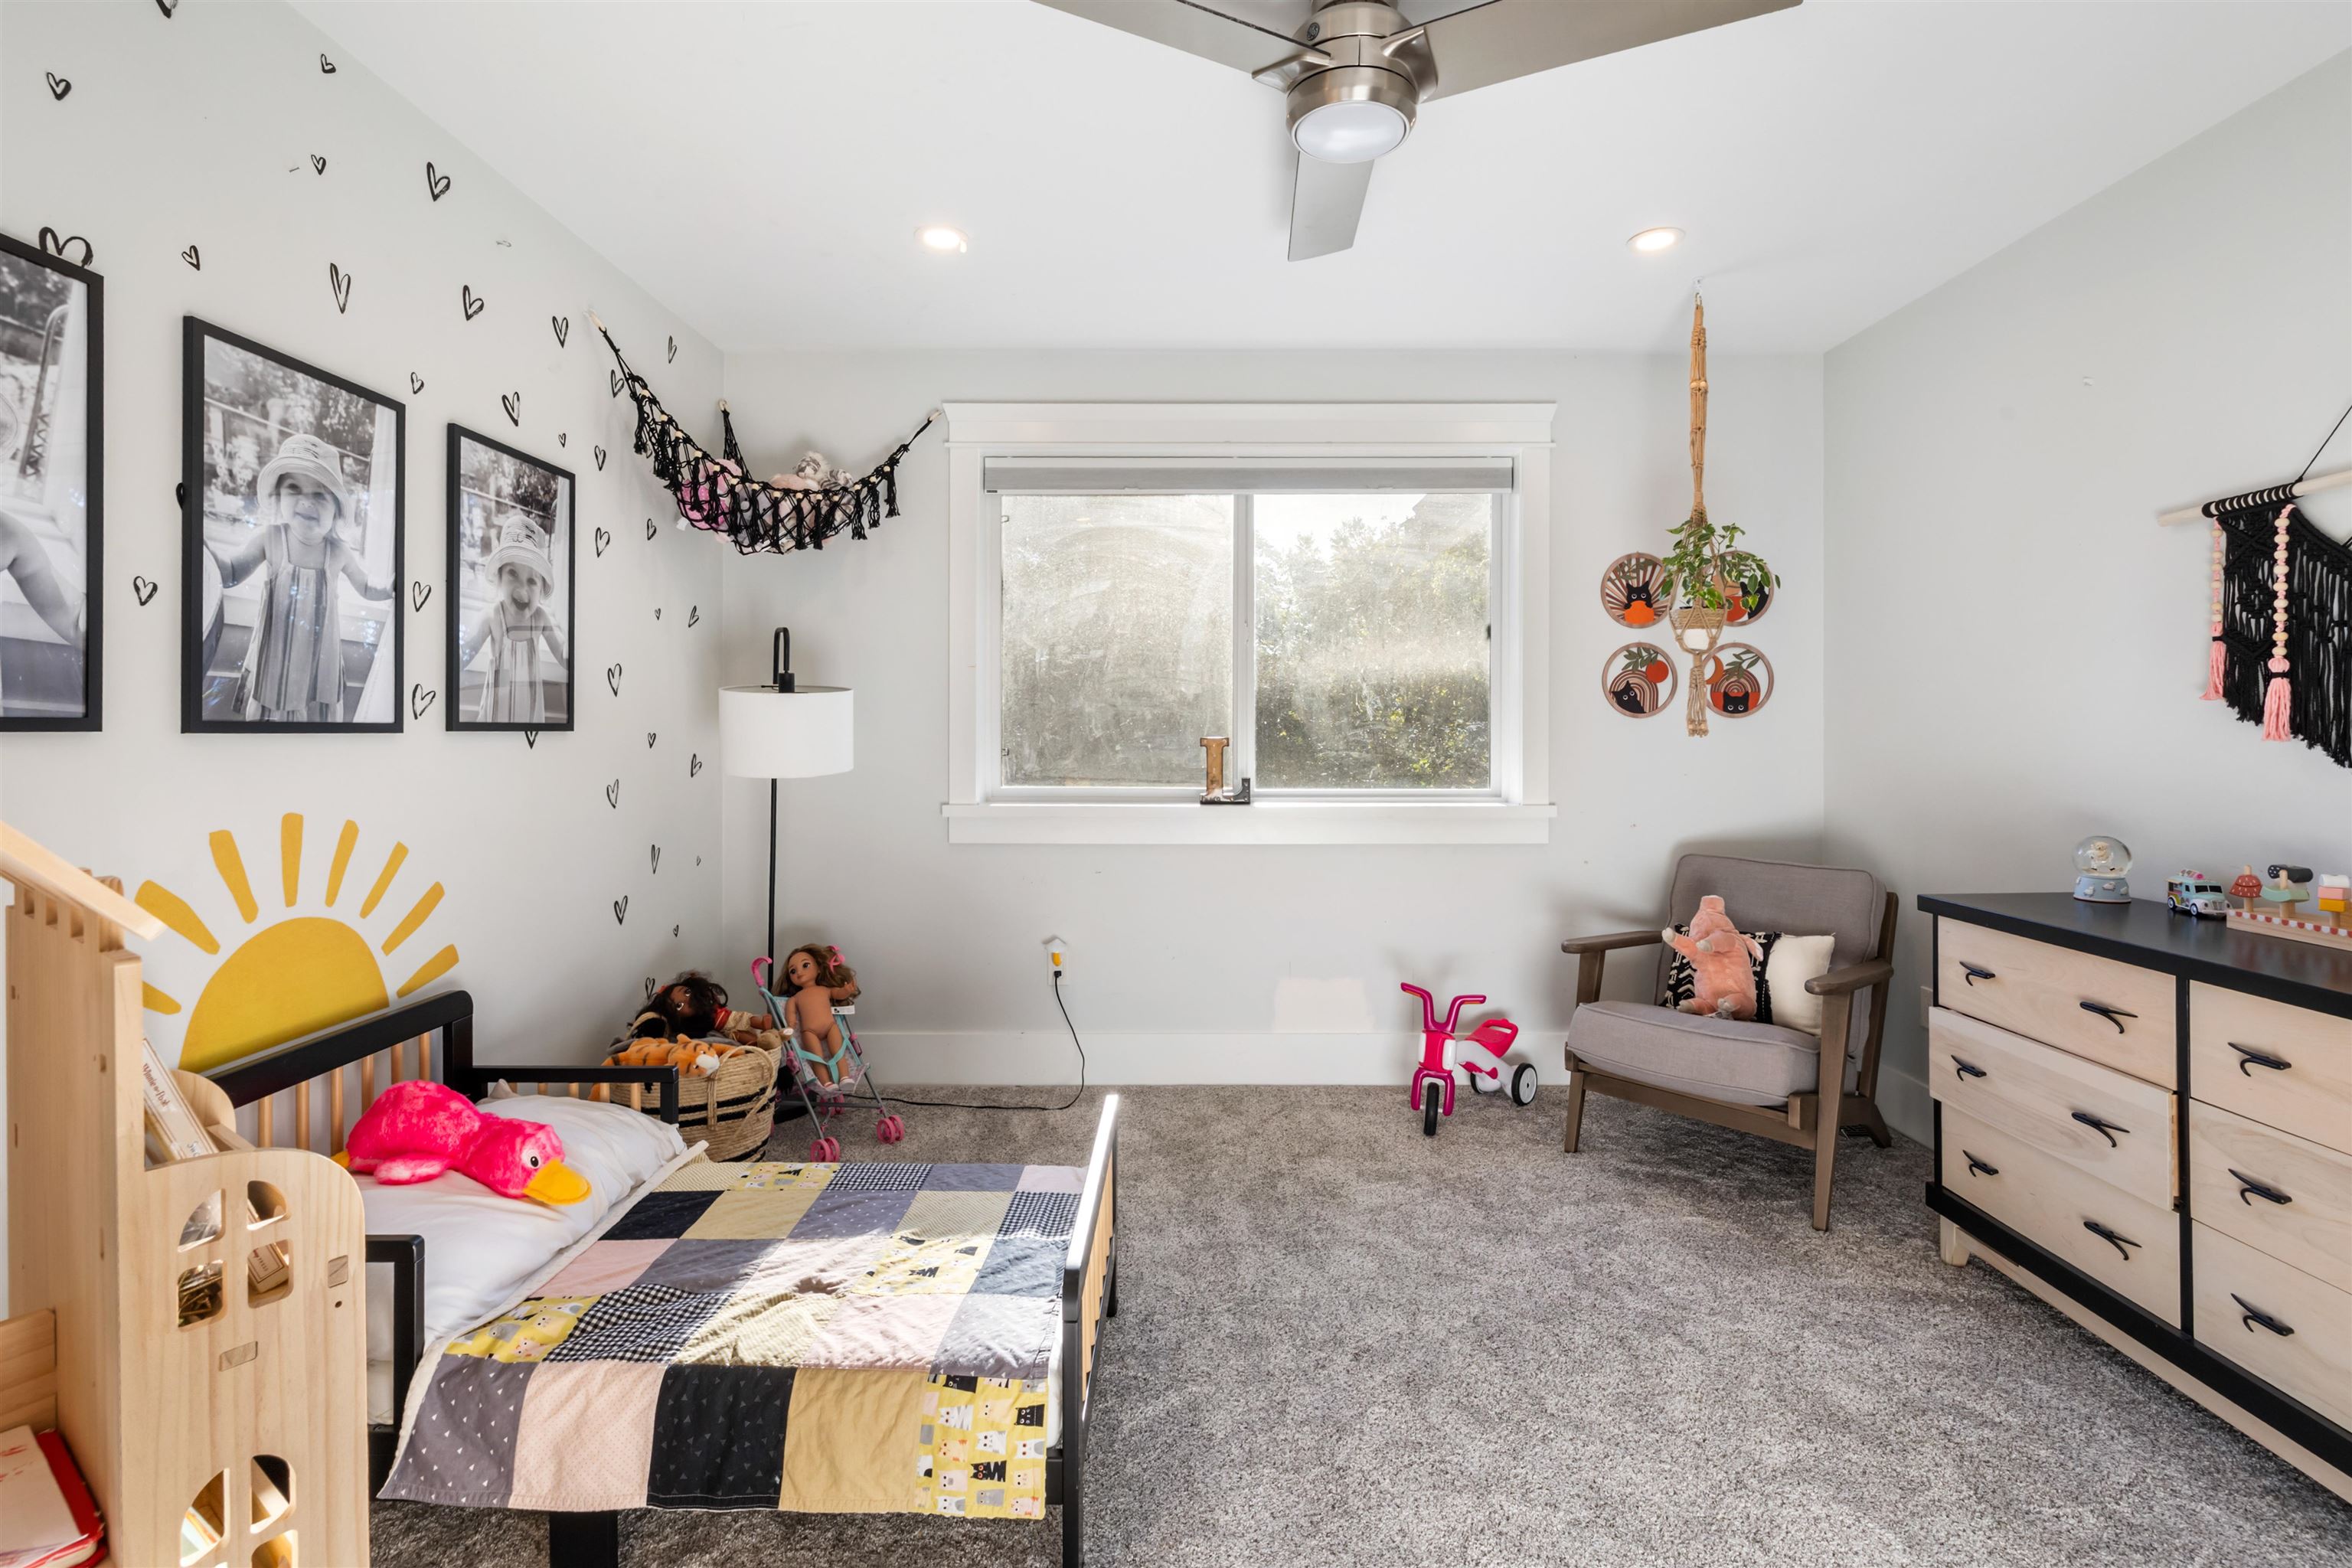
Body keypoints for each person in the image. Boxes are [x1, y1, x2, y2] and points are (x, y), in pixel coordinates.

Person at [208, 432, 390, 721]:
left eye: (319, 494)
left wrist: (390, 587)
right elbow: (231, 573)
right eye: (294, 488)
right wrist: (206, 551)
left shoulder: (338, 552)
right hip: (276, 666)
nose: (307, 501)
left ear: (336, 509)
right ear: (278, 497)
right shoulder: (270, 539)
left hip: (320, 668)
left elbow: (367, 587)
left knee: (315, 732)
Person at [462, 514, 566, 723]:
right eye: (513, 574)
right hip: (495, 719)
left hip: (530, 721)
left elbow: (564, 654)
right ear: (499, 577)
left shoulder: (540, 618)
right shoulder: (493, 616)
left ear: (541, 588)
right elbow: (464, 652)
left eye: (532, 581)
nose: (522, 587)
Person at [782, 944, 860, 1086]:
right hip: (809, 1031)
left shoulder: (825, 990)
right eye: (793, 971)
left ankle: (844, 1077)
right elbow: (791, 1014)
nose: (799, 972)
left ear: (818, 969)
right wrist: (791, 1026)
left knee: (838, 1052)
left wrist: (846, 990)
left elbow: (839, 993)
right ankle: (826, 1083)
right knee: (816, 1057)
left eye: (805, 965)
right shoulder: (795, 998)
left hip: (830, 1027)